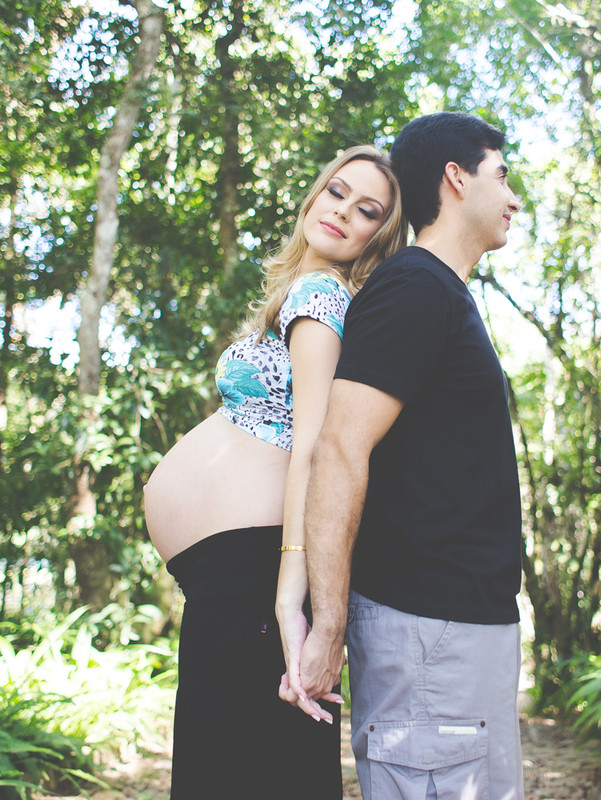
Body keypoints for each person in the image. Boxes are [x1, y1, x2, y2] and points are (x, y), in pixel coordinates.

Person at [143, 144, 407, 800]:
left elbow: (317, 445)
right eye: (337, 192)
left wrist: (293, 600)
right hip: (232, 582)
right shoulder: (300, 293)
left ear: (381, 234)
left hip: (258, 579)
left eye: (367, 209)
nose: (344, 212)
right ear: (315, 195)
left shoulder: (320, 296)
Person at [289, 112, 526, 800]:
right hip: (429, 634)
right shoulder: (415, 287)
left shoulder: (440, 293)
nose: (512, 198)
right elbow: (337, 449)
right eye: (501, 176)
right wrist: (328, 624)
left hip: (459, 633)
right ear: (456, 178)